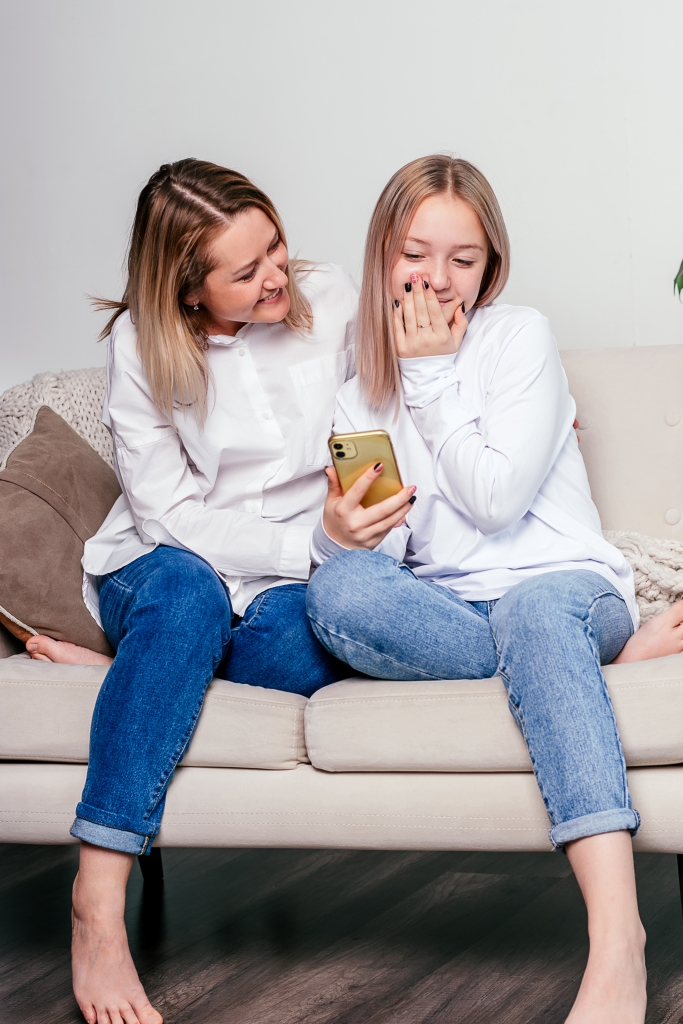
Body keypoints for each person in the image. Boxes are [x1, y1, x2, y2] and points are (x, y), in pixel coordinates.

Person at [25, 158, 406, 1024]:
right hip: (164, 562)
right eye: (245, 271)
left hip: (288, 581)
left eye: (273, 245)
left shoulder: (333, 298)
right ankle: (97, 898)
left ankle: (137, 673)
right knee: (189, 601)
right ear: (187, 291)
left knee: (311, 637)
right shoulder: (139, 348)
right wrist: (309, 543)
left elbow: (381, 417)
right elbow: (170, 517)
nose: (276, 274)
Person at [304, 154, 679, 1024]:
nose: (436, 279)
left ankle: (617, 939)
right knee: (336, 593)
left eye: (462, 260)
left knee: (534, 613)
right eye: (414, 254)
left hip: (563, 588)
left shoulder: (519, 339)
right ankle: (583, 676)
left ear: (490, 267)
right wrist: (341, 535)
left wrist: (432, 376)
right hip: (453, 613)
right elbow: (391, 554)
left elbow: (495, 499)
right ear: (381, 256)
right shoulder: (357, 386)